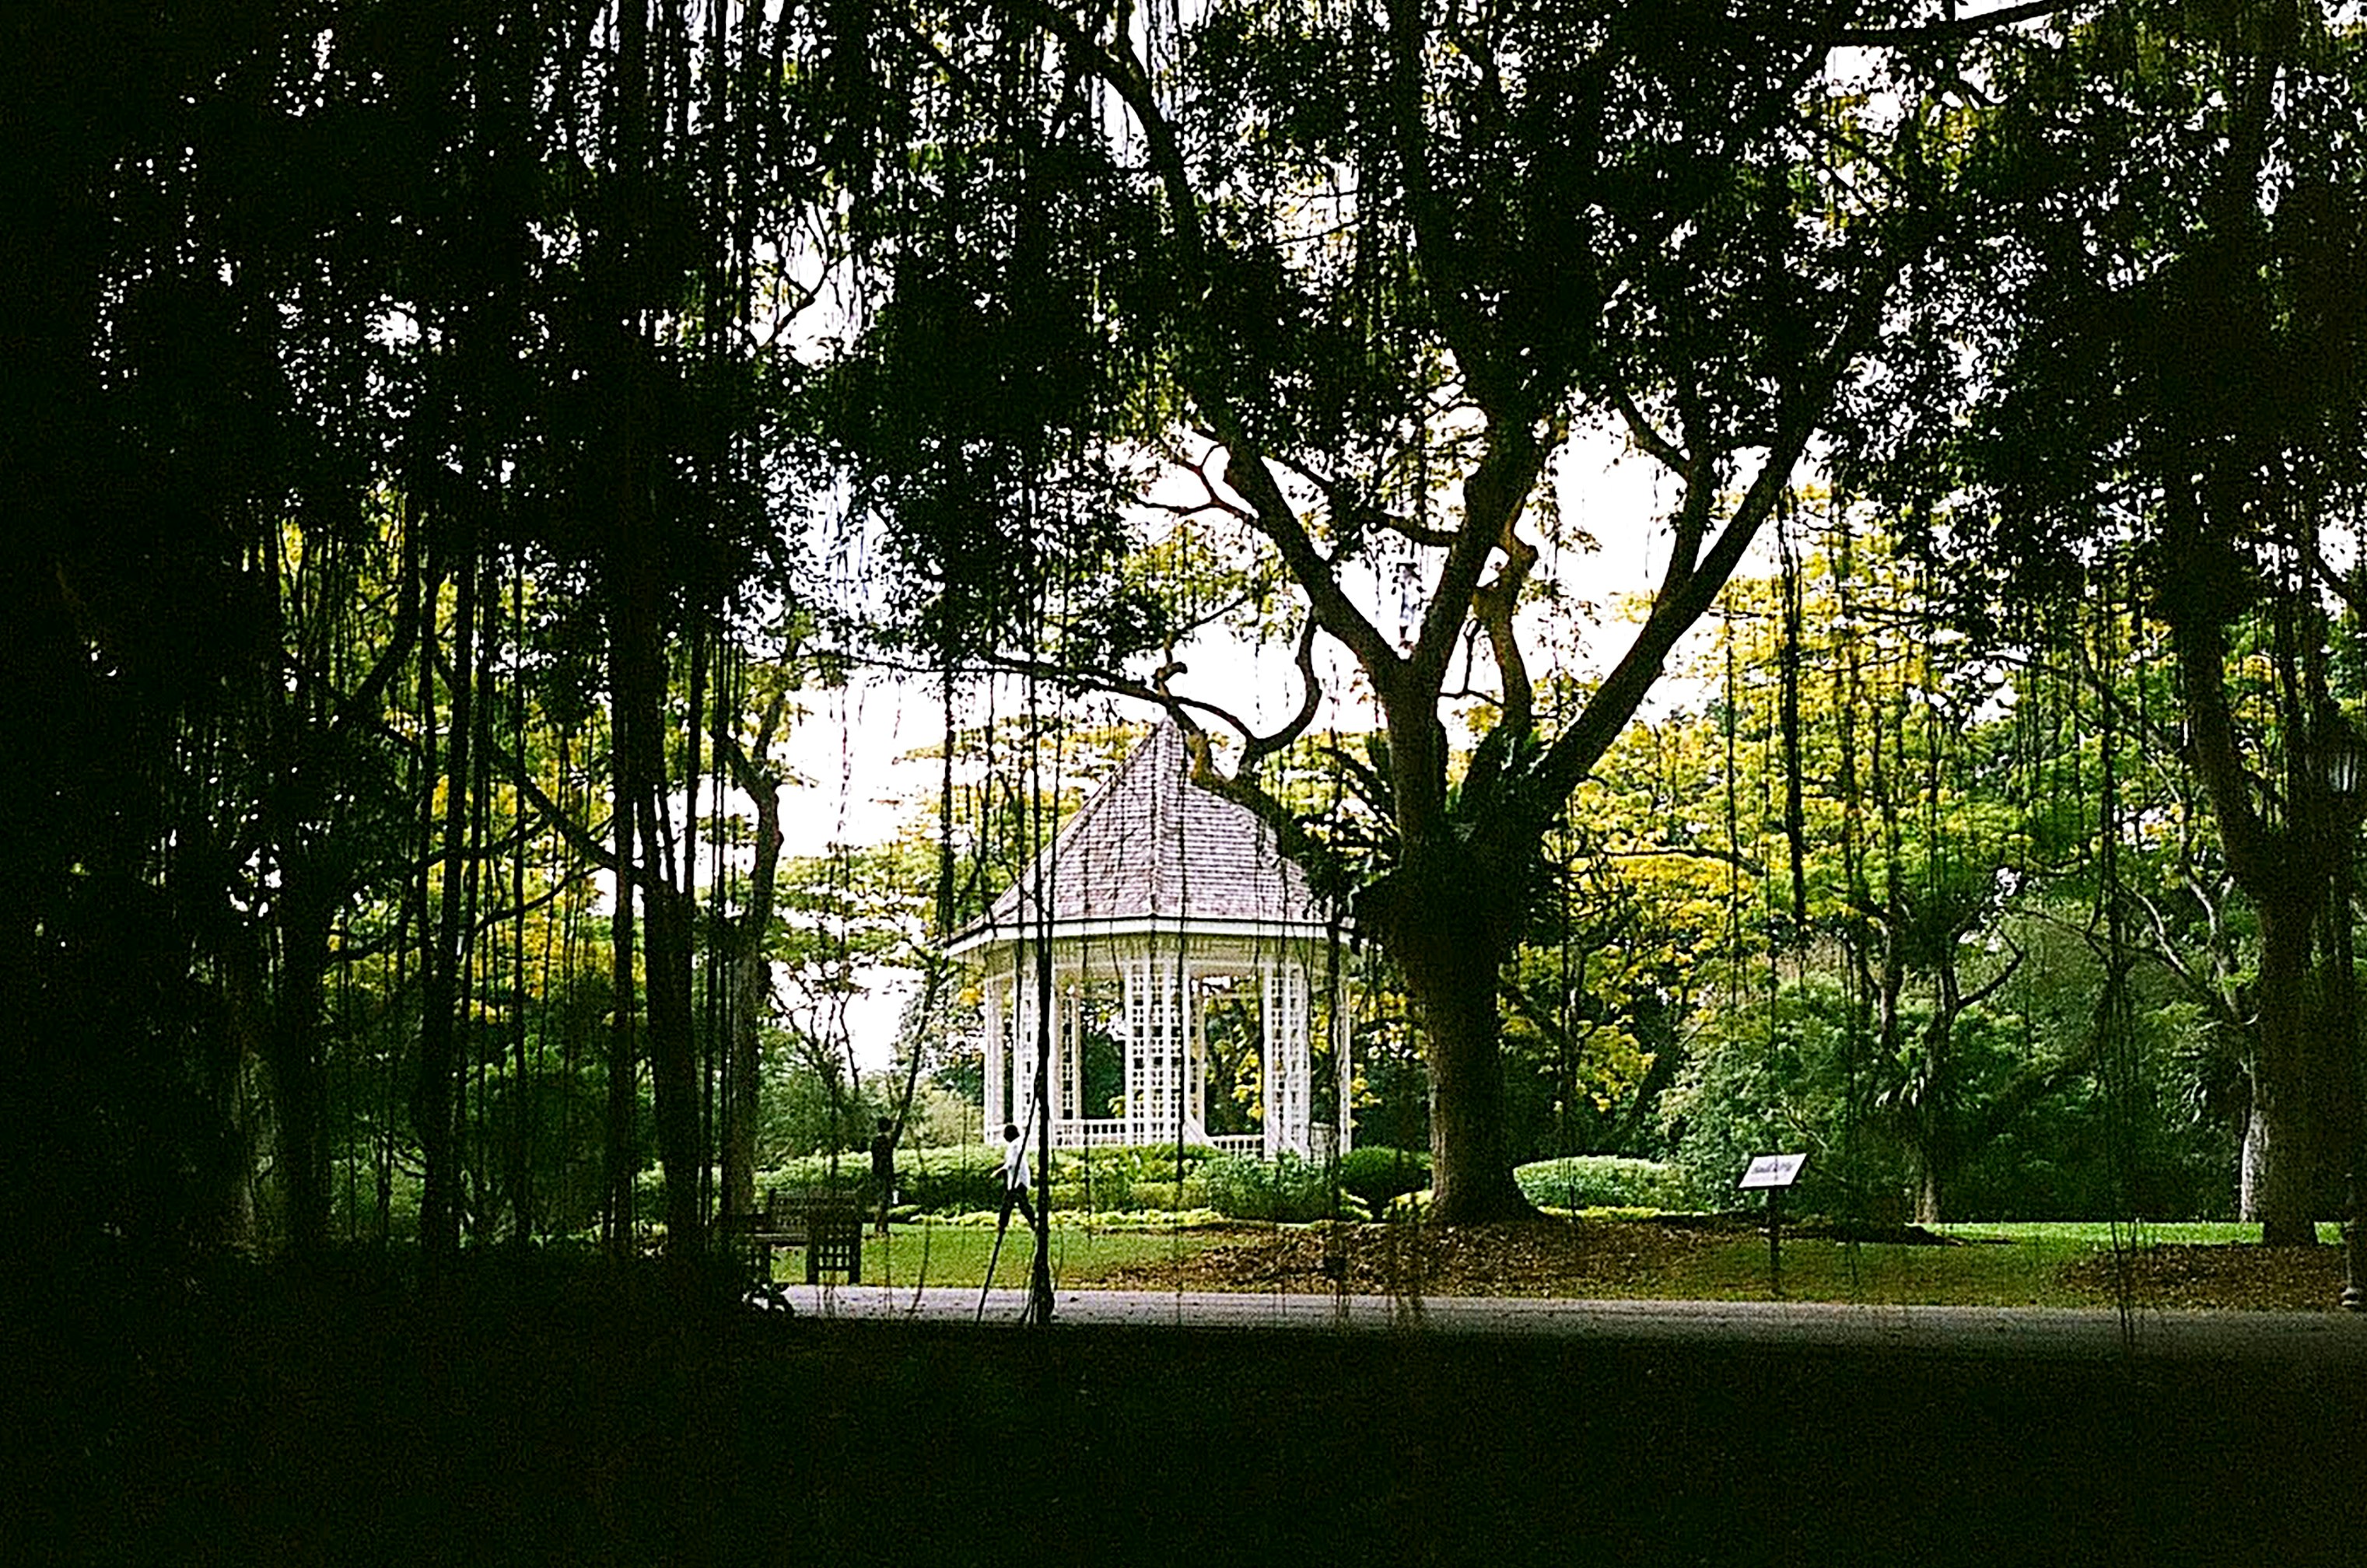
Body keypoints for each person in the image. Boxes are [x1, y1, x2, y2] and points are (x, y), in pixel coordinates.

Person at [997, 1121, 1038, 1232]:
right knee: (1020, 1204)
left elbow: (1013, 1162)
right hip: (1018, 1180)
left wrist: (1001, 1170)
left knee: (1010, 1203)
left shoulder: (1015, 1145)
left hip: (1018, 1180)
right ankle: (1034, 1223)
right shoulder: (1016, 1144)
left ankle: (1002, 1225)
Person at [868, 1117, 896, 1236]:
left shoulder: (874, 1142)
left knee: (882, 1200)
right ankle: (881, 1227)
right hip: (884, 1174)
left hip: (877, 1174)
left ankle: (880, 1227)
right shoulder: (886, 1142)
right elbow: (887, 1161)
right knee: (883, 1201)